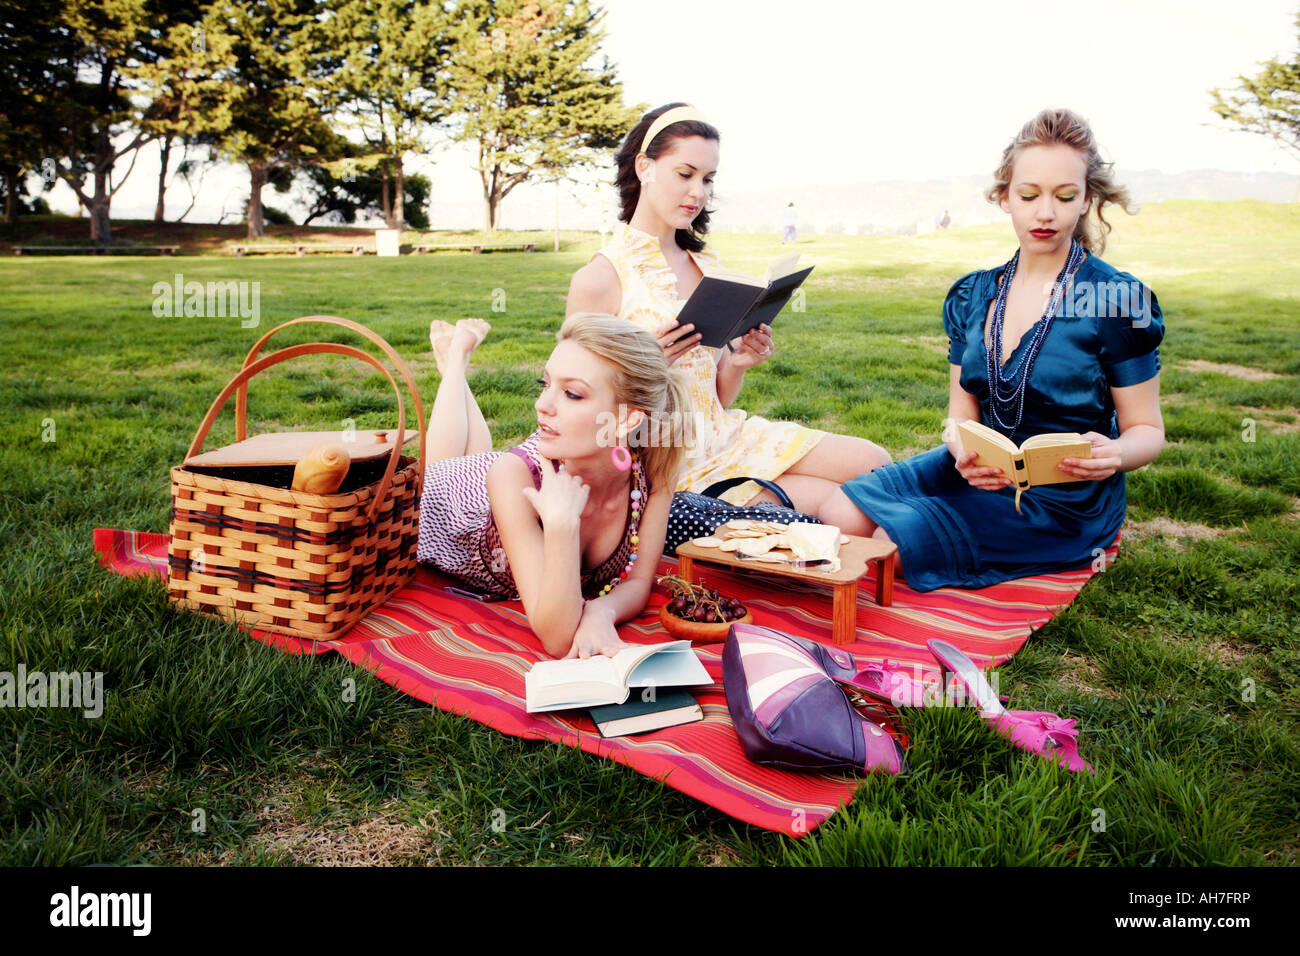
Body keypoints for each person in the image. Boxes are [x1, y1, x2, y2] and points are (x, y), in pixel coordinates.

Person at [820, 108, 1166, 590]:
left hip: (1063, 498)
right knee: (838, 511)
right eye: (1029, 195)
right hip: (980, 470)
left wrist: (1116, 454)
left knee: (888, 544)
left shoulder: (1116, 301)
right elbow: (959, 416)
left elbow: (1148, 430)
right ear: (1005, 197)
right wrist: (962, 448)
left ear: (1087, 200)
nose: (1045, 213)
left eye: (1065, 196)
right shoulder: (973, 294)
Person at [565, 102, 891, 518]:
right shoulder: (600, 278)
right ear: (645, 167)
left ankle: (766, 511)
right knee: (845, 511)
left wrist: (737, 364)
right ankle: (745, 513)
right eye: (685, 174)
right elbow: (573, 403)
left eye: (708, 178)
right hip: (665, 454)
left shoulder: (709, 268)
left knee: (875, 463)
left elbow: (713, 395)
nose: (698, 193)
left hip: (725, 435)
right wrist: (645, 366)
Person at [416, 313, 692, 659]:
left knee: (479, 452)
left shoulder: (654, 469)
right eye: (544, 384)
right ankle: (455, 356)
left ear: (628, 419)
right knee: (441, 466)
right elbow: (558, 638)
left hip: (515, 472)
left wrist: (601, 610)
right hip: (457, 506)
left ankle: (454, 356)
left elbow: (637, 582)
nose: (540, 405)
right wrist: (562, 527)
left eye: (572, 394)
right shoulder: (513, 475)